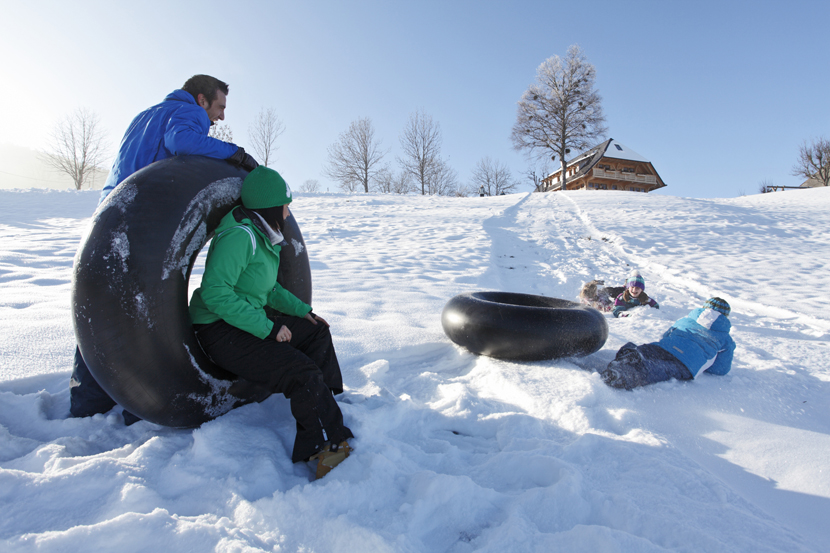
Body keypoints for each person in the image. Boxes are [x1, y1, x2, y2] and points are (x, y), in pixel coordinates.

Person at [70, 74, 259, 423]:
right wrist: (236, 154)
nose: (219, 118)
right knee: (143, 315)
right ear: (201, 99)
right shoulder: (185, 114)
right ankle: (139, 405)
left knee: (102, 316)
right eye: (218, 107)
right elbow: (182, 140)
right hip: (144, 225)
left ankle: (87, 404)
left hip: (107, 219)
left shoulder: (145, 116)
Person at [189, 166, 354, 478]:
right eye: (286, 205)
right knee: (299, 371)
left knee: (317, 332)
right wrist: (269, 328)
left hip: (245, 318)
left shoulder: (262, 234)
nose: (289, 214)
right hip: (219, 329)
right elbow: (214, 293)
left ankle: (328, 402)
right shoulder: (240, 236)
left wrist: (303, 310)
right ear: (270, 206)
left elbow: (268, 289)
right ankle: (328, 448)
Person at [601, 297, 735, 390]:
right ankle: (624, 375)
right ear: (725, 316)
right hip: (686, 362)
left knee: (646, 351)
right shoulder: (725, 338)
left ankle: (631, 353)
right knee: (658, 369)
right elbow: (720, 369)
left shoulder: (686, 320)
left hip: (665, 346)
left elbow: (666, 334)